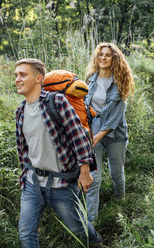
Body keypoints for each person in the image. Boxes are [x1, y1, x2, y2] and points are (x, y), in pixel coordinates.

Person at [14, 58, 102, 247]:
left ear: (38, 79)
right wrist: (24, 176)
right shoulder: (20, 111)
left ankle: (97, 243)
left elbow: (78, 136)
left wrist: (85, 172)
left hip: (62, 184)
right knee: (26, 234)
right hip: (33, 183)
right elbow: (23, 149)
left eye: (23, 74)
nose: (17, 79)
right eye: (16, 75)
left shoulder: (57, 102)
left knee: (79, 228)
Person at [85, 43, 135, 222]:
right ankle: (91, 222)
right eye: (100, 55)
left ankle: (120, 203)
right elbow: (84, 105)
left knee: (117, 173)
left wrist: (98, 136)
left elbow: (117, 115)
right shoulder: (90, 78)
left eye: (107, 55)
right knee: (94, 178)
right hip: (93, 127)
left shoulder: (121, 80)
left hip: (115, 131)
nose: (103, 58)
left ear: (114, 58)